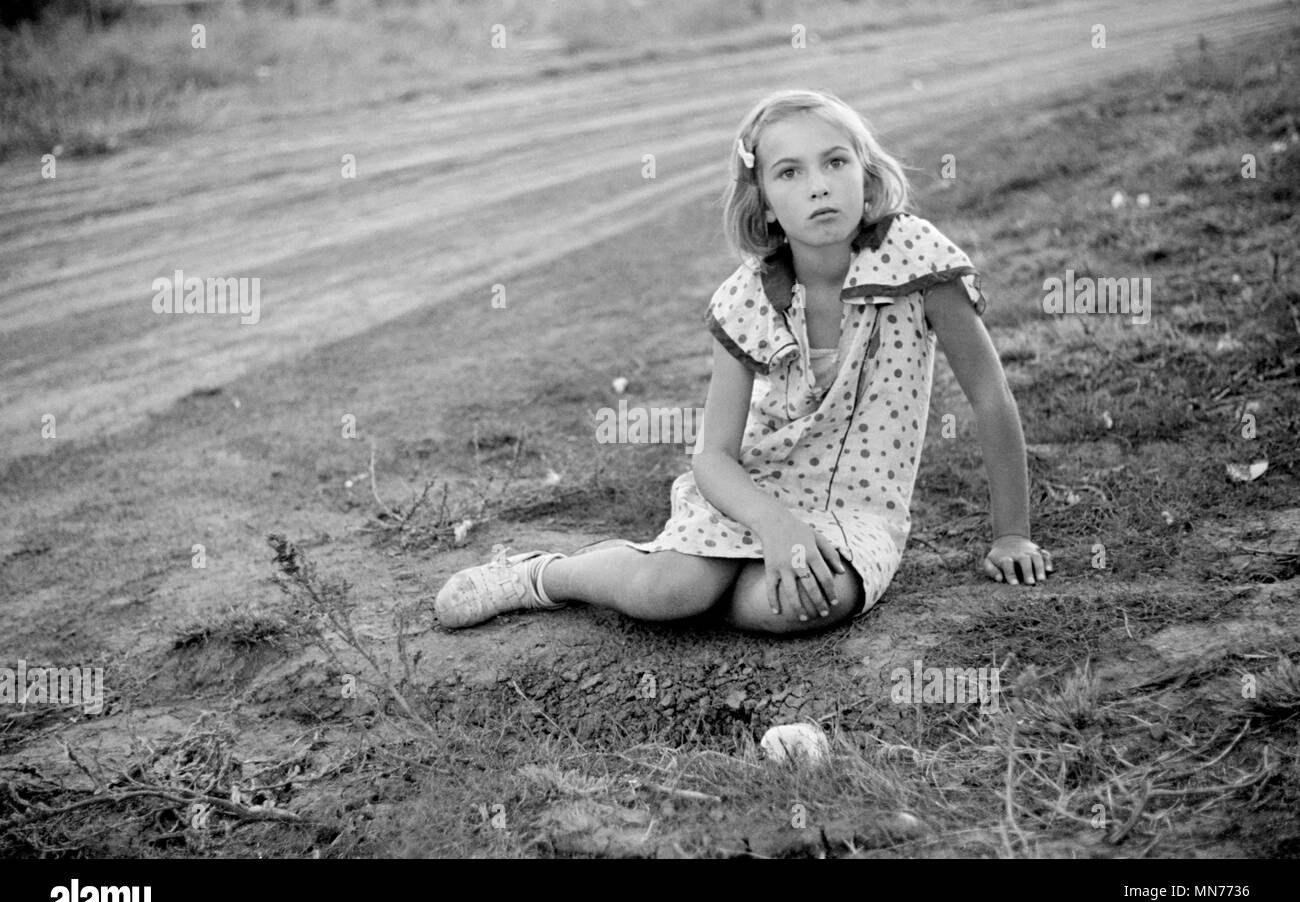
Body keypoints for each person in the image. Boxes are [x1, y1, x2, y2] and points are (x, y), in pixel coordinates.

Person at [435, 88, 1052, 634]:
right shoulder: (747, 298)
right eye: (789, 172)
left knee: (807, 602)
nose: (818, 184)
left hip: (856, 511)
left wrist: (1012, 533)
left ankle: (709, 595)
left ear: (866, 176)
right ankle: (549, 575)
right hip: (754, 492)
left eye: (835, 162)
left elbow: (989, 396)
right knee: (668, 591)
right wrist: (774, 527)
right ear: (764, 204)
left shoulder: (917, 261)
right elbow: (713, 456)